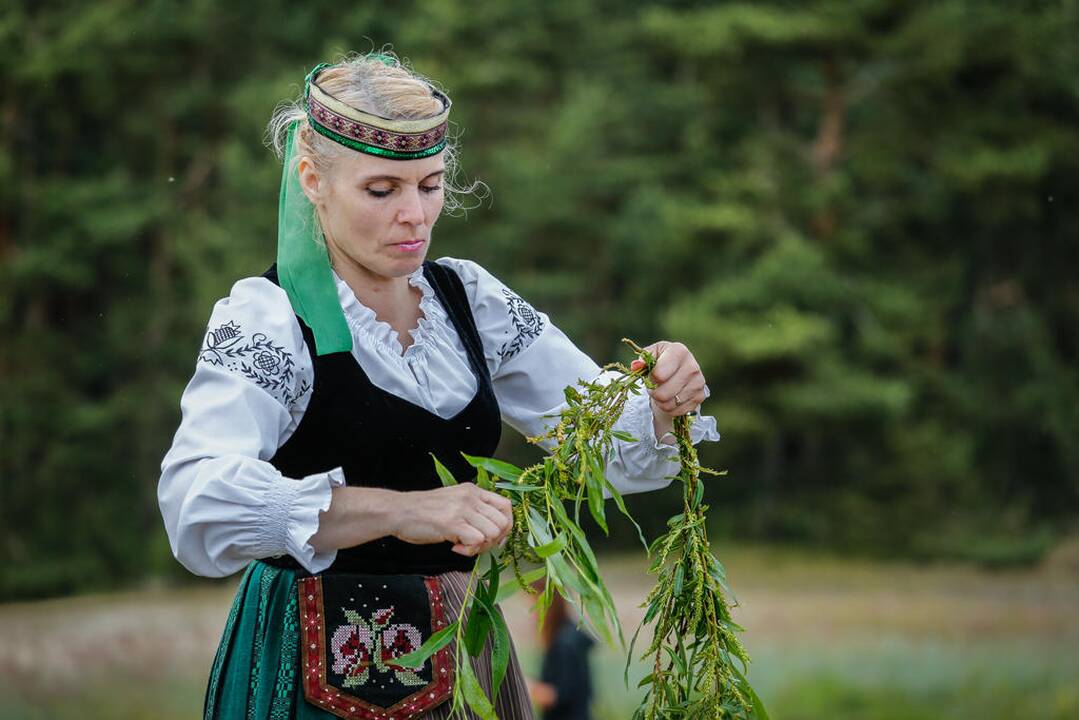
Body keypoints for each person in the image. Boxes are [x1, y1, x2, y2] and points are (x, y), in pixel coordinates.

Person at [158, 51, 721, 720]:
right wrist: (405, 510)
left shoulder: (469, 301)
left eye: (428, 185)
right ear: (312, 178)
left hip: (462, 660)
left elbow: (604, 447)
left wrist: (658, 403)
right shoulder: (269, 317)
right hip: (306, 669)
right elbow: (196, 501)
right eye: (381, 190)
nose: (415, 215)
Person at [527, 582, 595, 720]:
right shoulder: (567, 636)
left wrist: (523, 685)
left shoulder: (564, 645)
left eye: (533, 607)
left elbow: (558, 695)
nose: (531, 616)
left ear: (548, 606)